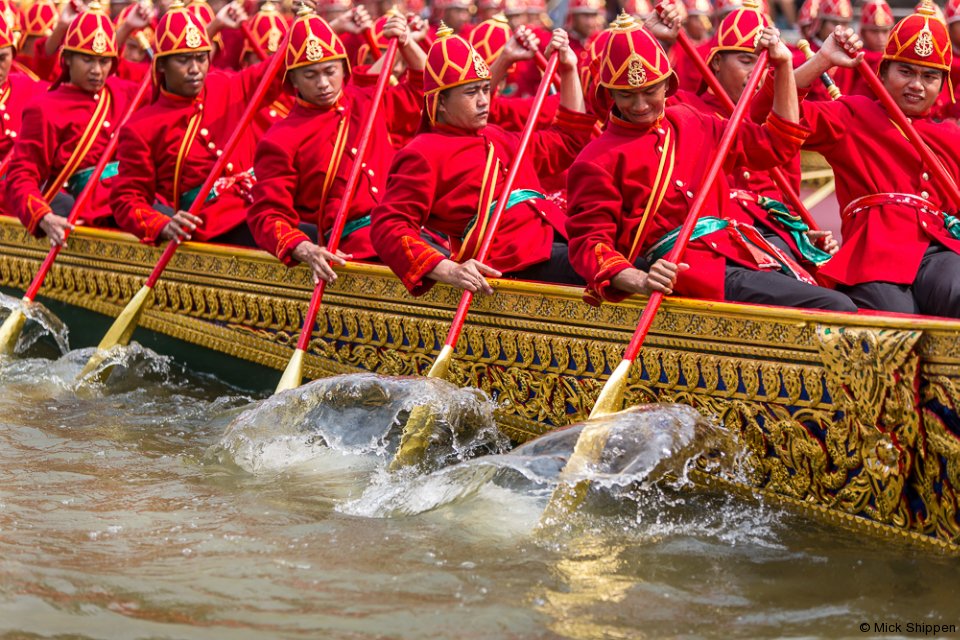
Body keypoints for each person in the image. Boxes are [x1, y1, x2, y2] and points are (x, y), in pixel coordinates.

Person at [565, 12, 857, 311]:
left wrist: (783, 67)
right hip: (689, 274)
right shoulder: (596, 159)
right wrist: (640, 279)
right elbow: (590, 244)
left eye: (650, 91)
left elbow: (774, 146)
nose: (640, 106)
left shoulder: (692, 121)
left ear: (667, 84)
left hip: (742, 249)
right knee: (835, 307)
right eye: (627, 96)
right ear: (610, 94)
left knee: (846, 294)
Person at [370, 24, 596, 296]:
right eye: (470, 93)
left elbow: (566, 141)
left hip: (556, 237)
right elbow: (388, 226)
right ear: (441, 102)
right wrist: (448, 269)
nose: (483, 102)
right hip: (512, 260)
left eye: (485, 89)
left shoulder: (495, 135)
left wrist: (569, 68)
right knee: (616, 269)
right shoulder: (422, 152)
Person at [790, 4, 960, 317]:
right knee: (894, 323)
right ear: (882, 72)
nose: (917, 85)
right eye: (905, 71)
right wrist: (820, 62)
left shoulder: (951, 136)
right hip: (873, 254)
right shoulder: (852, 116)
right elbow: (772, 119)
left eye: (929, 76)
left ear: (943, 84)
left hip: (939, 251)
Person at [246, 9, 426, 284]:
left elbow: (424, 91)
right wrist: (304, 248)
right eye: (310, 75)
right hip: (357, 248)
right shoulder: (280, 139)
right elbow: (267, 215)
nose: (322, 84)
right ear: (292, 80)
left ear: (344, 68)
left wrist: (407, 43)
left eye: (330, 71)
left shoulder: (368, 99)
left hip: (412, 230)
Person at [110, 0, 279, 245]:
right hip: (209, 226)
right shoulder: (141, 127)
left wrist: (307, 22)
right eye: (183, 61)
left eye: (201, 58)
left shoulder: (225, 85)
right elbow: (127, 199)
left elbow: (274, 71)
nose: (195, 69)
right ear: (162, 65)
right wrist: (162, 224)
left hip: (259, 206)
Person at [6, 1, 141, 246]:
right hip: (75, 201)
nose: (97, 71)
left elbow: (173, 74)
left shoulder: (124, 93)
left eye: (104, 61)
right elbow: (22, 175)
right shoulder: (44, 107)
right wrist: (42, 216)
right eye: (88, 60)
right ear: (67, 59)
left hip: (123, 197)